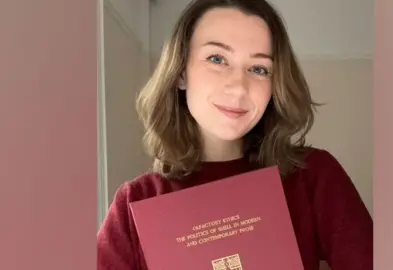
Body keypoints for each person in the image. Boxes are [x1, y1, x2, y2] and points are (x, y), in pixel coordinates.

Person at [97, 0, 373, 269]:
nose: (239, 87)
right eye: (217, 59)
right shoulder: (135, 203)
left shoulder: (313, 177)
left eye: (259, 69)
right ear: (181, 73)